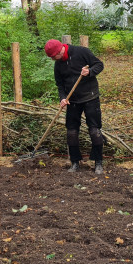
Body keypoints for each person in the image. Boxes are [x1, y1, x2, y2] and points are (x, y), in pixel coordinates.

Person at [44, 39, 106, 174]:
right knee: (71, 132)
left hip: (90, 96)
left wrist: (89, 72)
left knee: (95, 130)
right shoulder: (58, 64)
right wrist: (63, 98)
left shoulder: (81, 52)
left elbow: (99, 65)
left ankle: (98, 162)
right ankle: (75, 162)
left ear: (60, 49)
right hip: (72, 101)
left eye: (54, 56)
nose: (53, 59)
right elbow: (60, 85)